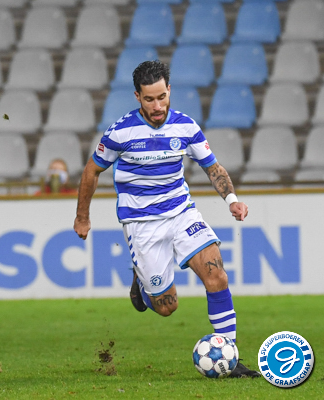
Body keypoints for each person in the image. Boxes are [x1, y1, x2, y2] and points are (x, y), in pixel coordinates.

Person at [73, 60, 260, 378]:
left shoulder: (186, 127)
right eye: (149, 99)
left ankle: (230, 357)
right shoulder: (120, 132)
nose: (157, 106)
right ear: (137, 96)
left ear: (169, 90)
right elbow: (92, 170)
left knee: (217, 276)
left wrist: (232, 200)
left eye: (162, 97)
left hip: (181, 213)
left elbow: (212, 167)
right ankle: (142, 284)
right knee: (166, 307)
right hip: (141, 223)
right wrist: (82, 217)